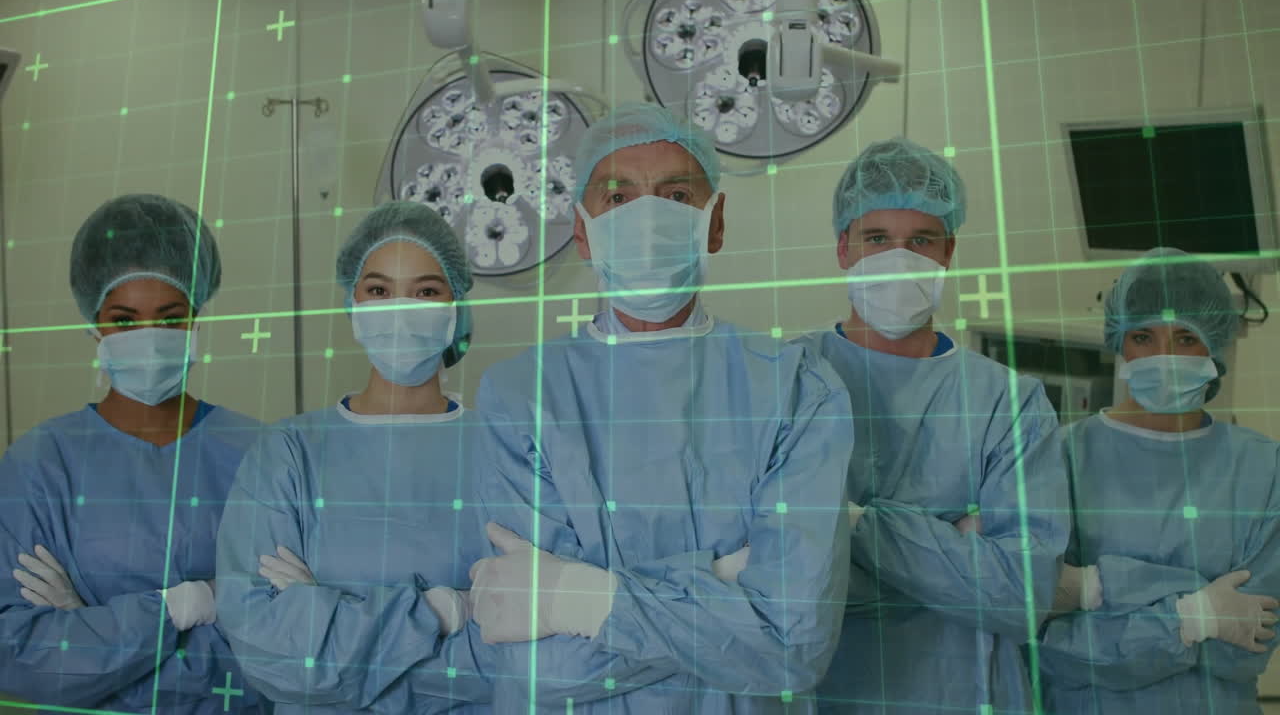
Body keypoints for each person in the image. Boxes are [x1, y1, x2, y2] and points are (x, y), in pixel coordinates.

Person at [466, 101, 853, 713]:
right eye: (619, 199)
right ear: (583, 231)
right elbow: (541, 666)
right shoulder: (522, 395)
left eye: (675, 196)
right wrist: (720, 589)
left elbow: (793, 647)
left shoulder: (798, 389)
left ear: (715, 222)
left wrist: (585, 600)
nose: (648, 219)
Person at [791, 138, 1070, 714]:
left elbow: (1021, 594)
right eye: (877, 239)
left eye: (920, 241)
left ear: (949, 252)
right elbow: (770, 572)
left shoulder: (1008, 403)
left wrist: (850, 523)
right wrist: (952, 540)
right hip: (819, 690)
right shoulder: (784, 380)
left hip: (963, 691)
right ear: (843, 248)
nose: (900, 258)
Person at [215, 201, 492, 713]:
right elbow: (265, 647)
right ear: (351, 304)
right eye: (379, 290)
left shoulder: (503, 449)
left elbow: (519, 652)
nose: (399, 308)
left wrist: (324, 622)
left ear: (457, 307)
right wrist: (440, 611)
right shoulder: (288, 451)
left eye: (426, 291)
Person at [0, 194, 263, 713]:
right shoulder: (39, 466)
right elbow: (19, 655)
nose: (149, 338)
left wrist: (98, 642)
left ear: (196, 319)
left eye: (170, 319)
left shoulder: (261, 454)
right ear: (93, 325)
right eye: (124, 320)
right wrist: (187, 607)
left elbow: (284, 646)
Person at [1037, 247, 1280, 714]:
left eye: (1186, 338)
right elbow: (1050, 647)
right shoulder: (1058, 459)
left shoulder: (1264, 470)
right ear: (1119, 343)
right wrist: (1196, 615)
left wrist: (1091, 588)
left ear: (1215, 344)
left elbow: (1245, 648)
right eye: (1144, 336)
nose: (1163, 356)